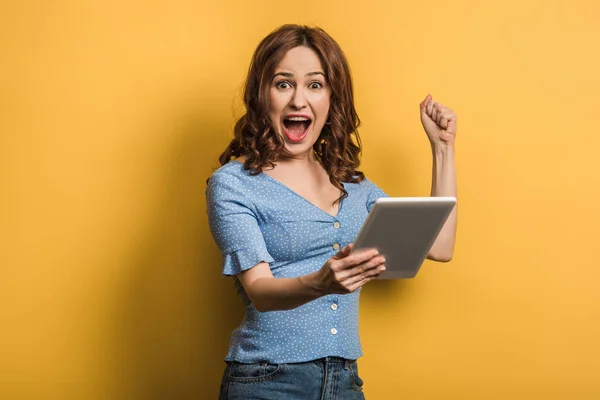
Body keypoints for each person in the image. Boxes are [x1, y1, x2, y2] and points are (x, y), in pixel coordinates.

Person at [206, 24, 457, 400]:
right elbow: (259, 290)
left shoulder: (353, 185)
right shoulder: (233, 184)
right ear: (262, 95)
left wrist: (442, 150)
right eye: (284, 83)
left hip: (344, 382)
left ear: (331, 99)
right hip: (267, 381)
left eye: (315, 84)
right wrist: (321, 282)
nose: (298, 101)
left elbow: (441, 245)